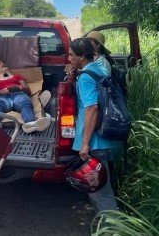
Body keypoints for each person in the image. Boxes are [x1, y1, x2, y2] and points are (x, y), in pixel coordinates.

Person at [68, 38, 119, 213]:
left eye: (71, 55)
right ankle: (106, 224)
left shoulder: (85, 77)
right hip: (105, 136)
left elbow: (92, 109)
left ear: (82, 56)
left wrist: (85, 143)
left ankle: (114, 229)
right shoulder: (99, 68)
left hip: (94, 141)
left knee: (100, 191)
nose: (69, 58)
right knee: (99, 187)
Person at [0, 59, 50, 133]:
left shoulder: (17, 77)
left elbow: (28, 91)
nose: (2, 63)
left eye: (2, 62)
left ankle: (30, 123)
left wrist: (17, 87)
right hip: (2, 97)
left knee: (25, 102)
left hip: (18, 93)